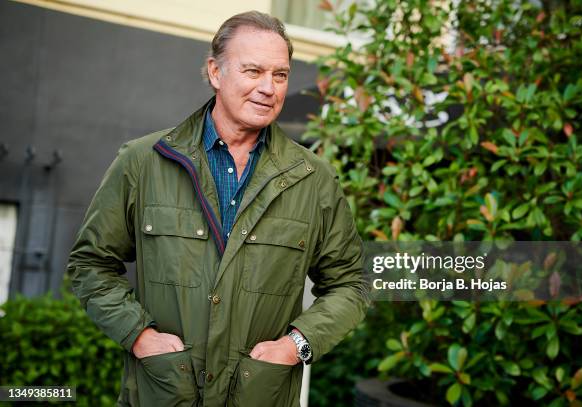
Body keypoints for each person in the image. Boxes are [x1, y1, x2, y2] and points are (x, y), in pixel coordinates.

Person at [67, 10, 368, 407]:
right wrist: (139, 335)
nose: (268, 88)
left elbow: (352, 283)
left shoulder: (314, 179)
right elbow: (90, 265)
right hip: (164, 395)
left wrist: (296, 345)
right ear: (215, 72)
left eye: (280, 75)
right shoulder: (144, 162)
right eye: (253, 71)